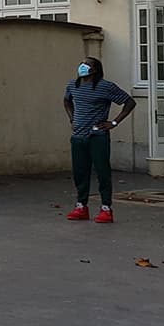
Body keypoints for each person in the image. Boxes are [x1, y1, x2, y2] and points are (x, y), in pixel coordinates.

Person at [63, 56, 135, 223]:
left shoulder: (105, 87)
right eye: (81, 63)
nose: (82, 66)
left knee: (102, 172)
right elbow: (67, 101)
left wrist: (114, 122)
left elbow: (129, 102)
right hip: (78, 136)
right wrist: (72, 119)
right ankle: (81, 206)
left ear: (95, 69)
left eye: (87, 64)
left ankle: (106, 208)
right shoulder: (73, 85)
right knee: (80, 173)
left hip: (98, 136)